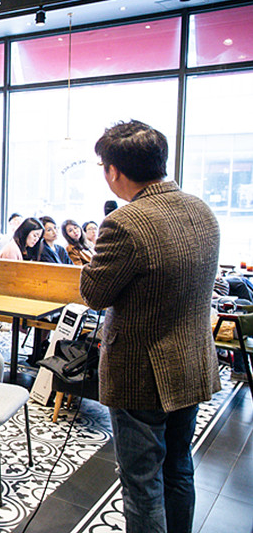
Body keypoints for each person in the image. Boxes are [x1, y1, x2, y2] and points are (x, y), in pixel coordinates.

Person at [79, 120, 220, 533]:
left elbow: (94, 293)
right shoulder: (202, 210)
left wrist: (92, 258)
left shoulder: (126, 222)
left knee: (141, 483)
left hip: (142, 372)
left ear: (114, 171)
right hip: (191, 362)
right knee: (179, 468)